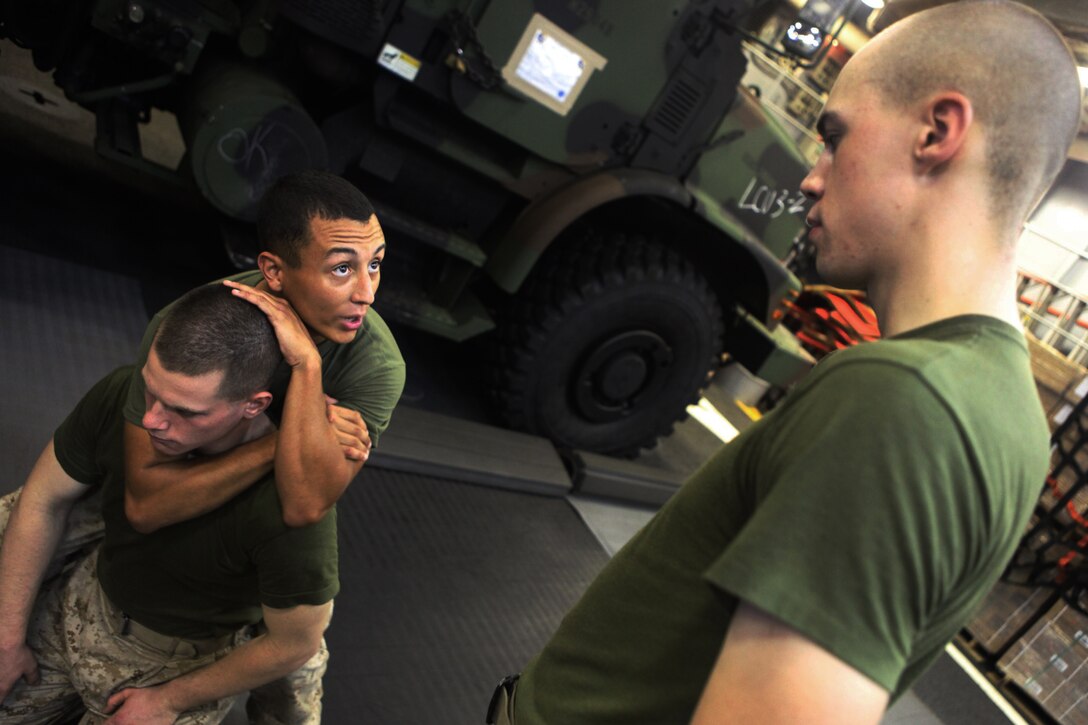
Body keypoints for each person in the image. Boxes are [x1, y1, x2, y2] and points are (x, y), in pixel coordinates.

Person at [487, 2, 1084, 723]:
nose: (811, 175)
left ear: (936, 132)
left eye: (836, 138)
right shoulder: (1006, 409)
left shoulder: (906, 400)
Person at [0, 169, 404, 722]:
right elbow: (146, 504)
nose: (367, 291)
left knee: (295, 654)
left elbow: (305, 502)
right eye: (342, 268)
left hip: (263, 543)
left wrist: (307, 365)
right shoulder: (190, 327)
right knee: (26, 525)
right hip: (160, 492)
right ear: (273, 272)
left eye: (375, 263)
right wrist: (281, 443)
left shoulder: (373, 364)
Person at [0, 284, 341, 724]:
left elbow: (295, 644)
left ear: (253, 406)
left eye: (185, 411)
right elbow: (43, 502)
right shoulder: (125, 395)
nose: (150, 420)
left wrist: (170, 701)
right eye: (151, 391)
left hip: (172, 665)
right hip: (85, 599)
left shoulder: (290, 507)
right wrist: (7, 640)